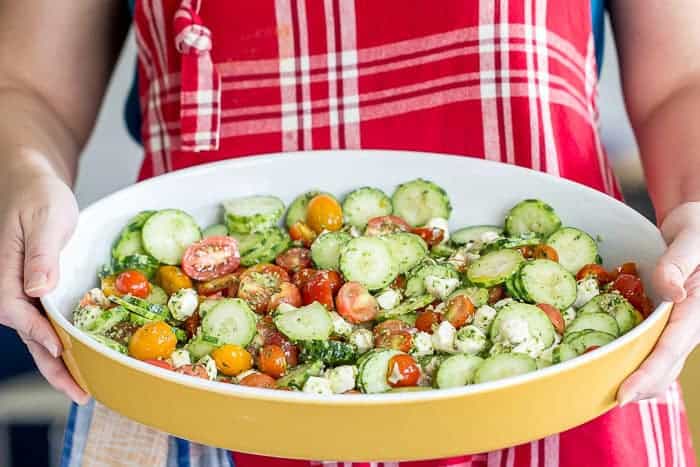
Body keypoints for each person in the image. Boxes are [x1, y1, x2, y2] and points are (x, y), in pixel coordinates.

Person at [1, 0, 698, 465]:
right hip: (184, 395)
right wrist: (22, 174)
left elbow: (683, 80)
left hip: (565, 388)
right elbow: (27, 86)